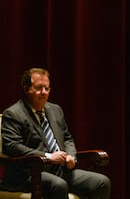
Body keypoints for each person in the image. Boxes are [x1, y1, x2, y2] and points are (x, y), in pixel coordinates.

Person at [1, 68, 111, 199]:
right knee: (59, 185)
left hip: (59, 170)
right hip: (28, 173)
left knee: (101, 182)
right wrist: (47, 157)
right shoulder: (13, 114)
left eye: (47, 88)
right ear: (26, 89)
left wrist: (71, 156)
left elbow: (67, 137)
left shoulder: (55, 110)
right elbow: (12, 146)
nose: (43, 92)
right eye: (39, 88)